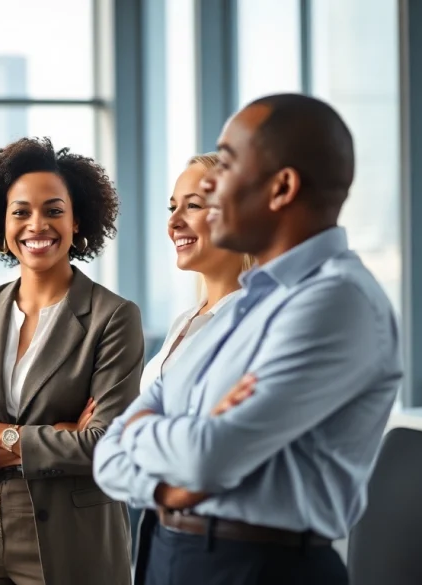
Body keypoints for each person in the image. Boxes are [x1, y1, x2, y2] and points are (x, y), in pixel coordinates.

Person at [93, 93, 402, 585]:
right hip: (170, 552)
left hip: (258, 567)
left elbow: (207, 456)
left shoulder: (335, 300)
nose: (210, 185)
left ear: (282, 188)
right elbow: (108, 453)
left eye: (228, 162)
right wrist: (170, 484)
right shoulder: (249, 303)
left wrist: (146, 431)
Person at [0, 137, 144, 585]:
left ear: (76, 220)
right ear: (1, 221)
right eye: (21, 212)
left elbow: (103, 444)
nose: (37, 225)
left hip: (73, 538)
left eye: (53, 210)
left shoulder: (113, 317)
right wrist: (56, 437)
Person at [128, 153, 254, 544]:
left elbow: (206, 445)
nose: (174, 222)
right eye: (172, 208)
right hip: (163, 529)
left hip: (218, 535)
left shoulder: (250, 323)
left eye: (193, 206)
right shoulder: (185, 321)